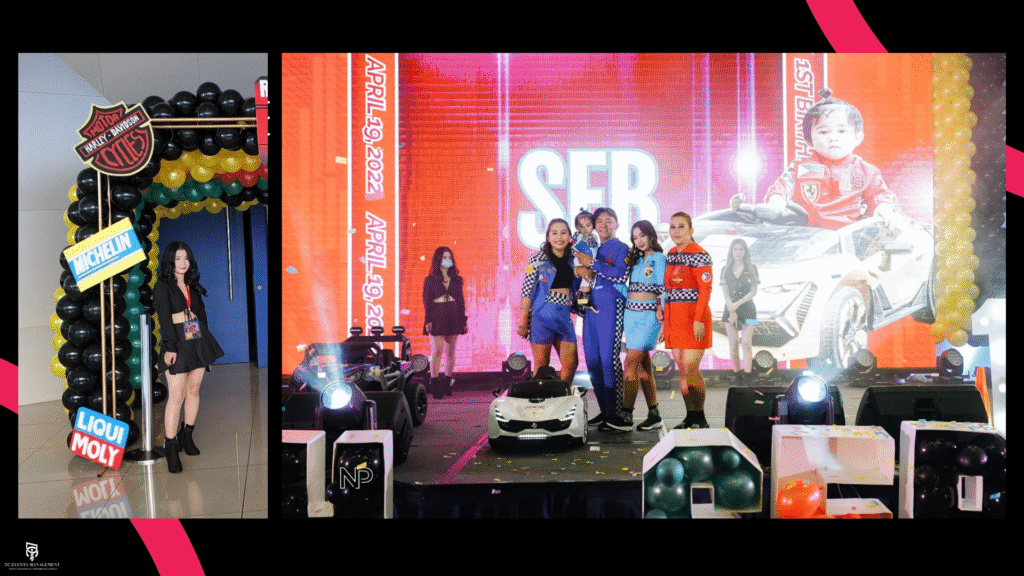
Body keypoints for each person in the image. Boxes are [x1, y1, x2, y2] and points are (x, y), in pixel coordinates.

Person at [761, 88, 907, 231]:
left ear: (858, 137)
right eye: (824, 132)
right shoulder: (800, 167)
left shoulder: (867, 171)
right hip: (805, 234)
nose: (833, 137)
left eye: (842, 131)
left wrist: (884, 208)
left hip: (853, 236)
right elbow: (781, 188)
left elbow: (881, 195)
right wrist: (776, 202)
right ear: (809, 140)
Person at [153, 241, 225, 473]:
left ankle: (187, 435)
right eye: (177, 259)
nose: (183, 263)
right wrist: (170, 346)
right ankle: (171, 446)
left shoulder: (192, 285)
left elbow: (201, 317)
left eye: (186, 258)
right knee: (177, 395)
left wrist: (186, 318)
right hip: (176, 345)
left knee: (193, 390)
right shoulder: (163, 286)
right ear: (170, 261)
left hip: (197, 342)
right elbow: (164, 319)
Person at [573, 208, 629, 431]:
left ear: (616, 224)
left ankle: (616, 414)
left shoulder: (621, 247)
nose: (604, 225)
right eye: (599, 221)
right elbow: (579, 273)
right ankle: (605, 410)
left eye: (609, 220)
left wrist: (593, 264)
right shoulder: (591, 245)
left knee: (608, 360)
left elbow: (621, 274)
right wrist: (578, 270)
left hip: (611, 305)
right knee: (593, 361)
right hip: (590, 307)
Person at [659, 212, 712, 429]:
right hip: (674, 320)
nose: (676, 231)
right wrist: (664, 322)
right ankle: (690, 416)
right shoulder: (671, 254)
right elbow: (667, 290)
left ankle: (700, 417)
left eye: (681, 226)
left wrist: (698, 319)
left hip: (693, 319)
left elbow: (705, 290)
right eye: (672, 227)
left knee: (690, 369)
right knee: (682, 371)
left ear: (691, 230)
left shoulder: (700, 254)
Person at [517, 219, 578, 382]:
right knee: (542, 365)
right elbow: (527, 291)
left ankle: (562, 394)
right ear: (548, 237)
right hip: (541, 316)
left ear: (570, 236)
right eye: (554, 233)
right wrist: (523, 322)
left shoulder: (574, 260)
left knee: (571, 364)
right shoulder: (537, 259)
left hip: (564, 317)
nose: (559, 237)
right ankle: (540, 396)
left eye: (564, 233)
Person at [621, 220, 666, 431]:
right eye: (635, 237)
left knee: (629, 365)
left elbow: (664, 289)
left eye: (642, 235)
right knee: (642, 369)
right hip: (630, 316)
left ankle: (626, 415)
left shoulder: (659, 259)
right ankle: (654, 415)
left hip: (648, 318)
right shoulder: (636, 260)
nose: (638, 241)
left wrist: (662, 312)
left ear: (651, 236)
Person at [422, 246, 468, 391]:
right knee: (437, 350)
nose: (448, 260)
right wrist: (428, 320)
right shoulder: (430, 280)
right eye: (444, 257)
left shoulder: (457, 280)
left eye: (449, 257)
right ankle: (434, 383)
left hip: (453, 314)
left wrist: (463, 320)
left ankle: (447, 383)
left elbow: (461, 301)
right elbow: (426, 301)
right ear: (438, 260)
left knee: (451, 351)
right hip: (437, 314)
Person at [721, 238, 759, 383]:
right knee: (734, 345)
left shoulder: (752, 268)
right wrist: (732, 309)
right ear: (731, 251)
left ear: (745, 251)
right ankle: (737, 376)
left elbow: (753, 291)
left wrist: (737, 304)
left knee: (747, 343)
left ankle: (748, 376)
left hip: (749, 310)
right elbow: (725, 291)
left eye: (741, 249)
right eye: (735, 249)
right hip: (729, 310)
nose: (738, 252)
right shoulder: (725, 269)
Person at [571, 208, 599, 310]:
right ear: (576, 227)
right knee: (587, 278)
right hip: (580, 259)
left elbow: (595, 249)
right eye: (581, 226)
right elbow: (571, 247)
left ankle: (578, 303)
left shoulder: (595, 236)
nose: (585, 229)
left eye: (588, 225)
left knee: (588, 279)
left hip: (590, 261)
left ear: (593, 225)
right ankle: (582, 301)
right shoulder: (577, 236)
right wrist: (576, 254)